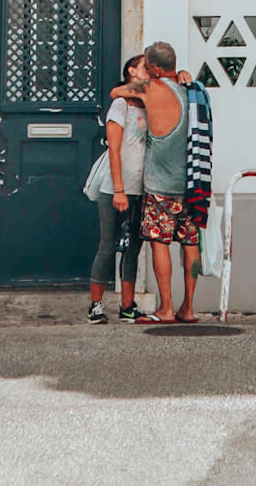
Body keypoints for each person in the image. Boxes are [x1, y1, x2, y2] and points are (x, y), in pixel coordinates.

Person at [111, 40, 200, 325]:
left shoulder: (150, 89)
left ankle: (166, 309)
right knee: (190, 244)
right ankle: (188, 308)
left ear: (153, 68)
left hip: (161, 185)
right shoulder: (193, 91)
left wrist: (145, 80)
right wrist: (182, 75)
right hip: (192, 183)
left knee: (160, 243)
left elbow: (117, 91)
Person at [88, 52, 147, 324]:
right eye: (146, 66)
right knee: (108, 245)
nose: (151, 71)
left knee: (133, 248)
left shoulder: (149, 105)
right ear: (132, 71)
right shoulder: (120, 105)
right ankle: (96, 306)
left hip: (141, 189)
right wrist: (120, 189)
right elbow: (114, 149)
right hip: (116, 189)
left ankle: (127, 306)